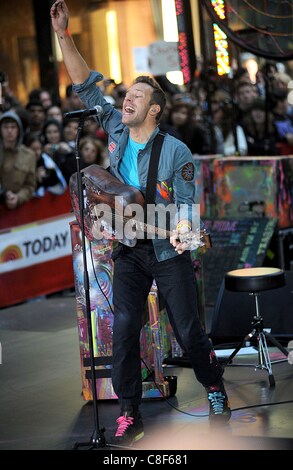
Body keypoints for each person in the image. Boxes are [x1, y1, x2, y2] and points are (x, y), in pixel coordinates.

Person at [50, 0, 231, 446]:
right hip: (129, 252)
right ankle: (130, 413)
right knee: (125, 330)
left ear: (154, 110)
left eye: (136, 95)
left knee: (189, 333)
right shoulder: (114, 129)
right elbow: (86, 87)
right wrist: (62, 36)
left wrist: (185, 230)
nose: (125, 98)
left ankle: (214, 388)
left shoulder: (177, 152)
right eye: (126, 93)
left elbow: (187, 207)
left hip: (168, 251)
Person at [0, 110, 36, 209]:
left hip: (17, 209)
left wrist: (18, 197)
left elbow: (30, 186)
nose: (9, 131)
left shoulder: (29, 155)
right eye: (6, 127)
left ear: (19, 130)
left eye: (13, 127)